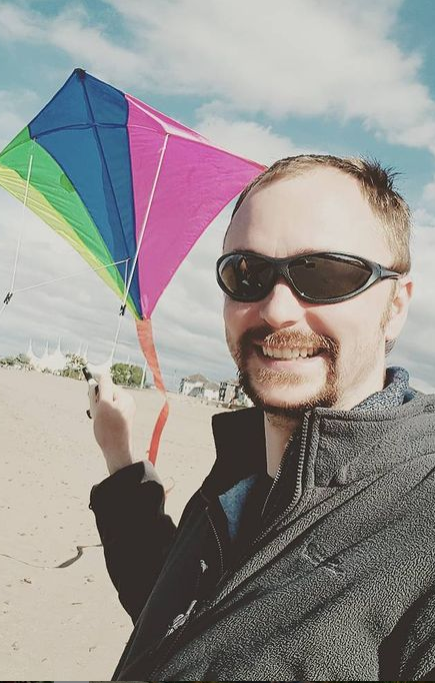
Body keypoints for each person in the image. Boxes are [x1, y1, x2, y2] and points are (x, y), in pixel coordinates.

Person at [87, 155, 435, 681]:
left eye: (325, 273)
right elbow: (178, 620)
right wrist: (119, 454)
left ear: (396, 306)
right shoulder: (244, 465)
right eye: (247, 273)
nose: (276, 310)